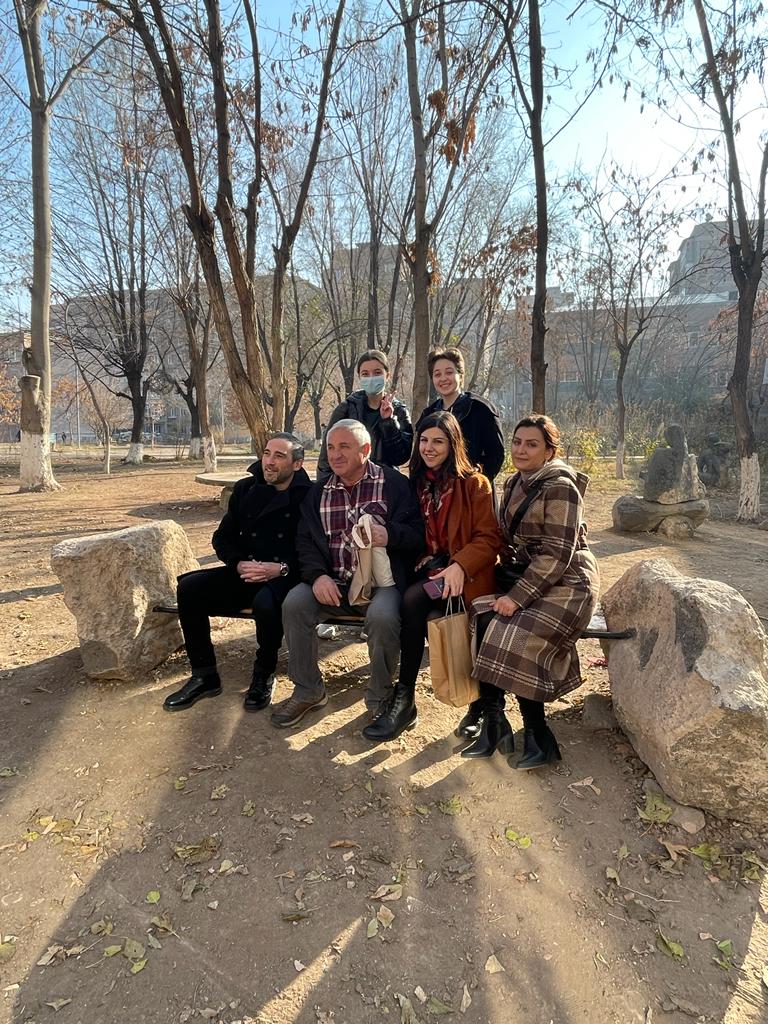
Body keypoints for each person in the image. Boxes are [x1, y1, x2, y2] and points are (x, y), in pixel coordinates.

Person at [463, 414, 600, 767]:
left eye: (532, 444)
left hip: (569, 583)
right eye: (517, 442)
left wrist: (516, 597)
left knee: (516, 635)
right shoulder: (513, 482)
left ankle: (540, 736)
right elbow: (505, 538)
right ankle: (494, 724)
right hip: (531, 575)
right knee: (481, 617)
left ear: (549, 451)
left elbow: (557, 554)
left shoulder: (561, 487)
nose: (521, 450)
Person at [363, 411, 502, 743]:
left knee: (413, 600)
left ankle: (429, 699)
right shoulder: (414, 484)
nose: (429, 447)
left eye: (438, 441)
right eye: (424, 440)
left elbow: (489, 539)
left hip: (466, 578)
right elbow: (413, 533)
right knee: (417, 605)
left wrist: (459, 565)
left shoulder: (475, 484)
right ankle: (406, 700)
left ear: (453, 445)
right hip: (431, 574)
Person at [276, 420, 424, 729]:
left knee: (383, 617)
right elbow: (305, 541)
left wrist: (390, 534)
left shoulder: (394, 484)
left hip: (381, 584)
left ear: (365, 450)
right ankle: (308, 690)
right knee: (295, 603)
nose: (335, 454)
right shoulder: (319, 492)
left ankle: (380, 696)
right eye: (331, 447)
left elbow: (418, 534)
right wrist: (317, 576)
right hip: (334, 582)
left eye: (344, 446)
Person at [163, 434, 312, 713]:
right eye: (267, 453)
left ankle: (264, 674)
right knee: (190, 589)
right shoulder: (245, 489)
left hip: (285, 577)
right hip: (246, 571)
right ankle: (204, 675)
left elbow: (314, 548)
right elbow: (222, 538)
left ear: (297, 464)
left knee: (266, 604)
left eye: (279, 456)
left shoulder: (309, 496)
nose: (269, 461)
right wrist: (238, 563)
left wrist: (280, 568)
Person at [316, 349, 413, 483]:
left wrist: (388, 423)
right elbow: (326, 457)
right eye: (365, 374)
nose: (371, 378)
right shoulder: (346, 409)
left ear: (387, 375)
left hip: (384, 483)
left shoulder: (399, 411)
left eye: (377, 373)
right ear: (360, 377)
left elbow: (400, 458)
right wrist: (324, 487)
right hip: (348, 483)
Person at [416, 347, 505, 483]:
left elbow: (495, 455)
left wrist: (474, 484)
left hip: (472, 488)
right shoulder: (428, 414)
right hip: (436, 488)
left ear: (461, 375)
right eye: (437, 374)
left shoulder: (481, 409)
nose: (443, 378)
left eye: (449, 372)